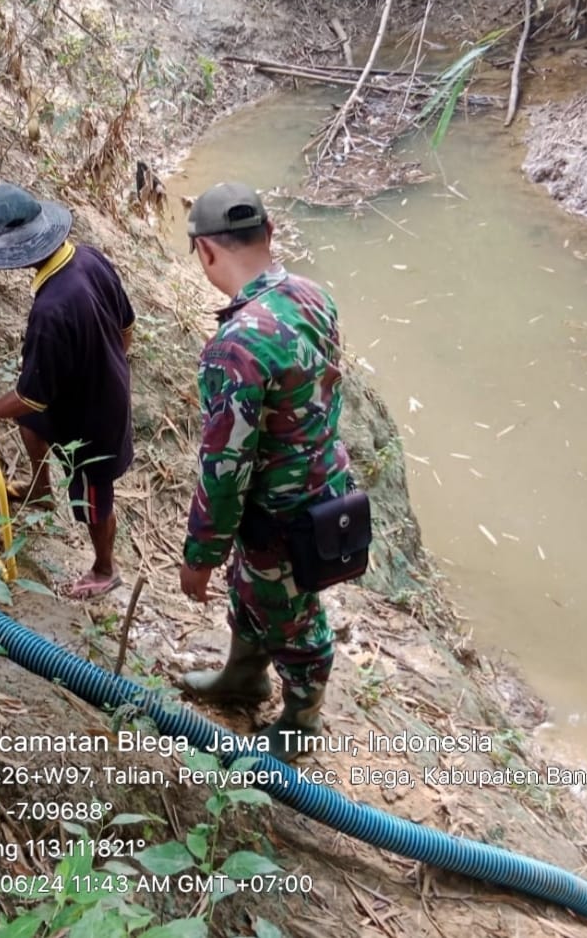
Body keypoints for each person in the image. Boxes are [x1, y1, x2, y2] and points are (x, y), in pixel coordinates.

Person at [179, 181, 353, 763]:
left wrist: (200, 554)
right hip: (323, 488)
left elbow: (225, 470)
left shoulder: (237, 346)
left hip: (278, 515)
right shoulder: (312, 296)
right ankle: (244, 678)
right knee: (251, 592)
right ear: (270, 233)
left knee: (293, 620)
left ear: (206, 252)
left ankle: (301, 722)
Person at [0, 181, 135, 598]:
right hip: (92, 390)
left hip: (95, 417)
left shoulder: (51, 310)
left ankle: (105, 569)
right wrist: (104, 365)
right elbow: (126, 327)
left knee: (94, 496)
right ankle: (39, 492)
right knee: (33, 422)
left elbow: (30, 396)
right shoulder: (88, 258)